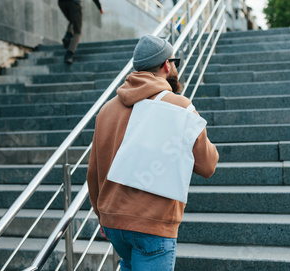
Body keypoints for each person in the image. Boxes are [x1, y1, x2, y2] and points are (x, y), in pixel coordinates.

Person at [86, 35, 219, 270]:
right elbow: (207, 166)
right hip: (152, 225)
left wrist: (102, 216)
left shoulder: (106, 110)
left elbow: (94, 171)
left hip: (113, 221)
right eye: (174, 61)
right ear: (166, 65)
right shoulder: (180, 107)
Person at [58, 0, 104, 64]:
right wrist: (100, 7)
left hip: (61, 3)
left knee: (73, 20)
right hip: (74, 3)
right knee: (78, 31)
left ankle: (68, 35)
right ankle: (69, 55)